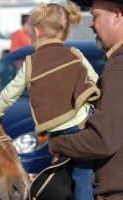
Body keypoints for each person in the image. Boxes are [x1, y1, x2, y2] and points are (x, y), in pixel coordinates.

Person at [0, 1, 101, 200]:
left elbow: (10, 93)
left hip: (57, 131)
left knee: (58, 175)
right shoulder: (75, 55)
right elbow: (96, 81)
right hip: (81, 125)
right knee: (83, 174)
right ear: (66, 33)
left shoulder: (30, 64)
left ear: (36, 31)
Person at [48, 0, 123, 199]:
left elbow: (102, 139)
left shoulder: (119, 67)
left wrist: (57, 143)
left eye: (95, 16)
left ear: (116, 16)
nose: (90, 24)